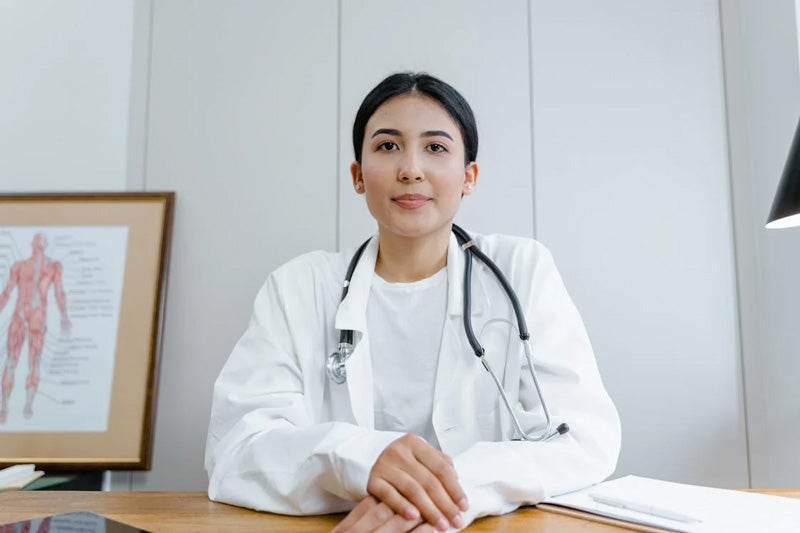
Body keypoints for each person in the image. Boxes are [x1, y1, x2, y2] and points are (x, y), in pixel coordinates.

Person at [205, 72, 621, 532]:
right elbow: (236, 450)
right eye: (387, 146)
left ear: (469, 177)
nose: (411, 169)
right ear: (358, 175)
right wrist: (359, 461)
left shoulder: (521, 270)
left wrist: (443, 494)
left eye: (436, 148)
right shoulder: (299, 287)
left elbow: (583, 439)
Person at [0, 233, 71, 424]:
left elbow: (58, 292)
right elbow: (6, 293)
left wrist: (64, 315)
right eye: (38, 242)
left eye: (42, 243)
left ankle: (26, 405)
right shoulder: (19, 266)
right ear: (32, 244)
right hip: (20, 318)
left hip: (36, 320)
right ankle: (5, 405)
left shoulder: (53, 267)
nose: (39, 245)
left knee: (33, 363)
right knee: (11, 362)